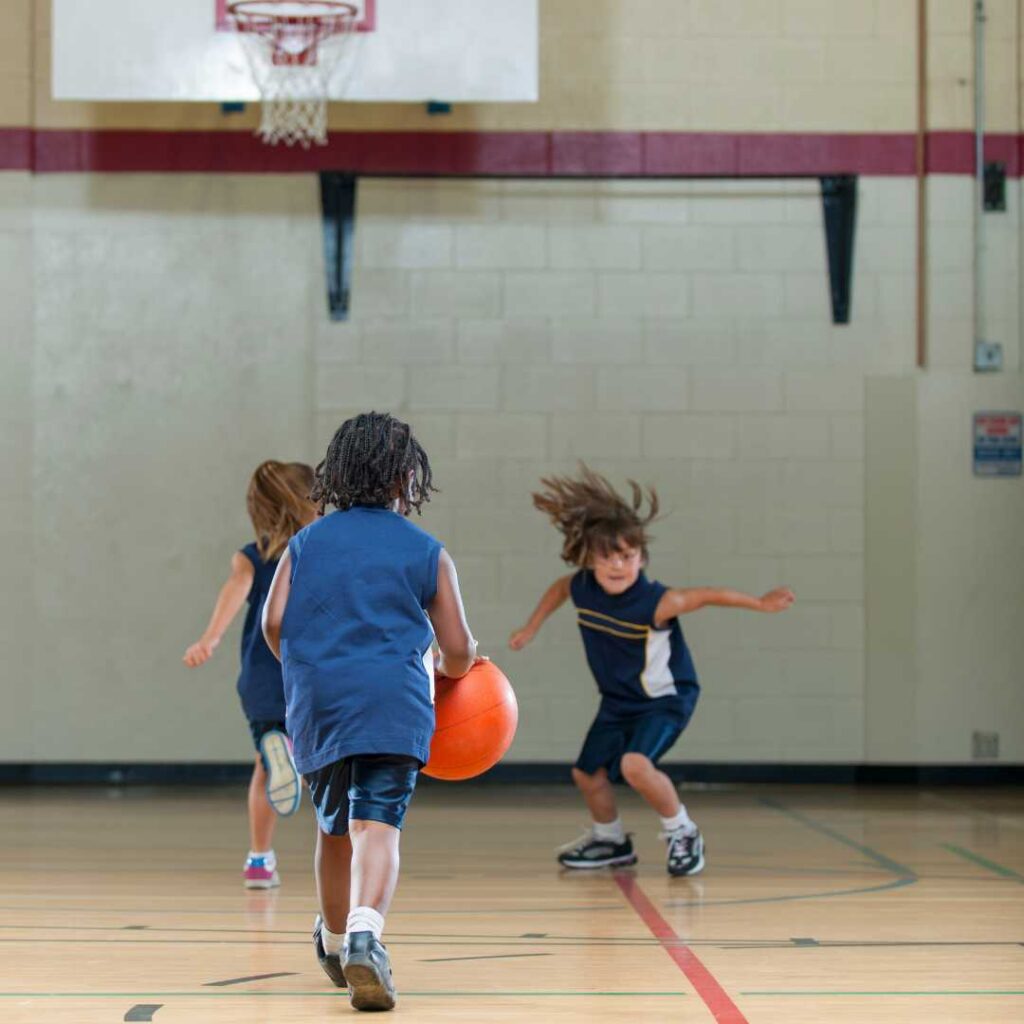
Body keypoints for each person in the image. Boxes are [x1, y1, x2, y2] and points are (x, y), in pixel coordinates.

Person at [263, 412, 478, 1012]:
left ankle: (334, 944)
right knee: (376, 826)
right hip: (393, 704)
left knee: (334, 830)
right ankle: (365, 934)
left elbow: (273, 623)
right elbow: (458, 648)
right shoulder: (427, 551)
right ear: (407, 479)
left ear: (336, 475)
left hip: (320, 703)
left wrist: (306, 667)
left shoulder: (305, 543)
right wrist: (453, 669)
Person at [509, 465, 794, 876]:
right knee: (587, 774)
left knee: (635, 765)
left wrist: (761, 603)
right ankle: (611, 842)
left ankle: (683, 832)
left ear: (642, 558)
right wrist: (531, 627)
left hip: (664, 700)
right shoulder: (582, 587)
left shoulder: (657, 602)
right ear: (590, 559)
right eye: (608, 557)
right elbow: (559, 589)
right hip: (617, 702)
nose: (618, 565)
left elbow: (707, 595)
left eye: (627, 556)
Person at [184, 460, 316, 889]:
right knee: (322, 759)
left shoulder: (253, 556)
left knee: (265, 766)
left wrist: (210, 638)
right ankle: (295, 757)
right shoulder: (317, 552)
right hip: (307, 674)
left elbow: (234, 591)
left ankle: (259, 860)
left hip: (261, 679)